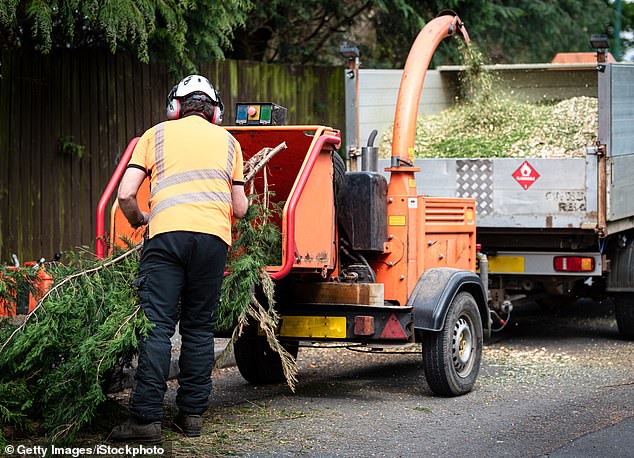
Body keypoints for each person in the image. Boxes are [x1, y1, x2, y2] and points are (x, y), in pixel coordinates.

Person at [109, 75, 248, 442]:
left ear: (175, 107)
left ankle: (145, 422)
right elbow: (240, 207)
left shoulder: (155, 135)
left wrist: (140, 219)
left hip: (166, 237)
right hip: (213, 242)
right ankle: (191, 418)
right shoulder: (230, 143)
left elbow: (125, 195)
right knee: (199, 329)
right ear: (214, 111)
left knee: (157, 326)